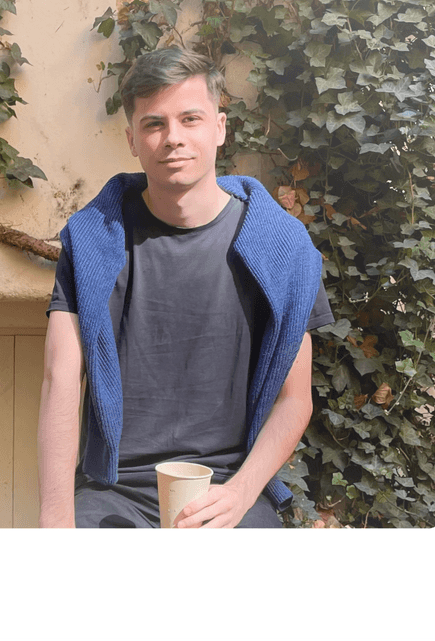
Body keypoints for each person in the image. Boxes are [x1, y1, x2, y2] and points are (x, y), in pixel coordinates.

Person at [39, 46, 334, 528]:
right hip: (113, 491)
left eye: (190, 119)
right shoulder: (90, 239)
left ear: (219, 126)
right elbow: (59, 381)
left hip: (229, 489)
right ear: (132, 138)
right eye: (154, 124)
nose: (172, 138)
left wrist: (239, 494)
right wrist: (55, 526)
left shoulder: (282, 245)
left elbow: (294, 398)